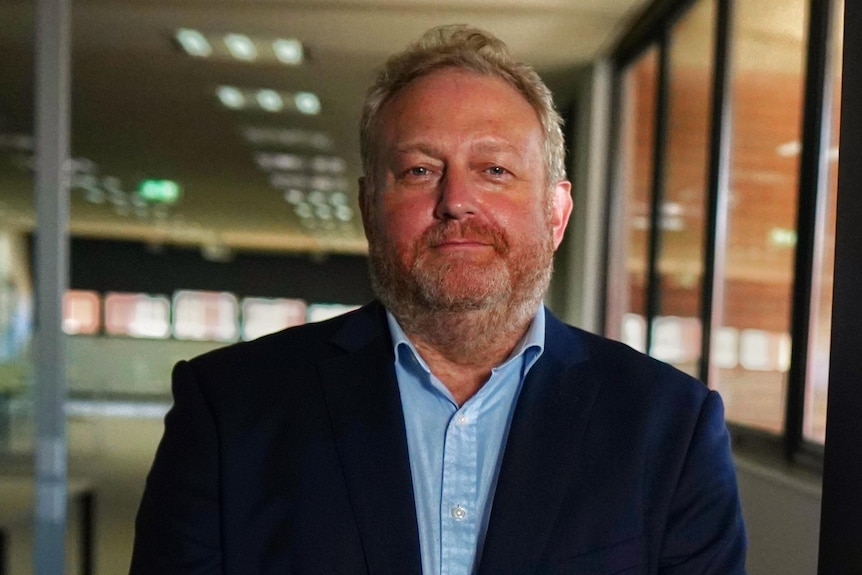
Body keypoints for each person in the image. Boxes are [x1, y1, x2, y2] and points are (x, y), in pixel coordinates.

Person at [130, 24, 746, 575]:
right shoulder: (229, 409)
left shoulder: (669, 428)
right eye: (420, 171)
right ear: (370, 209)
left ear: (556, 215)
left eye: (495, 170)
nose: (457, 201)